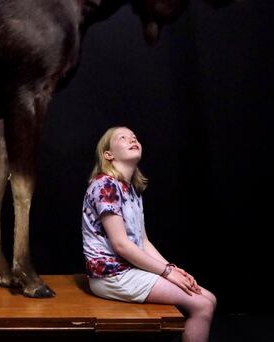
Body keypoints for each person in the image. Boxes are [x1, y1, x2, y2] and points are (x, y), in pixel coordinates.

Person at [82, 126, 217, 342]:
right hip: (112, 276)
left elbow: (142, 241)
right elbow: (121, 245)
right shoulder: (105, 185)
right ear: (108, 154)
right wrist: (166, 272)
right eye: (123, 138)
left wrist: (173, 269)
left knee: (209, 299)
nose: (132, 140)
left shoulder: (130, 189)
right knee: (202, 305)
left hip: (130, 271)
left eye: (134, 137)